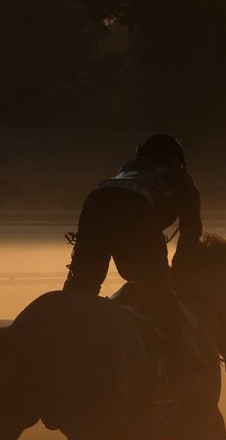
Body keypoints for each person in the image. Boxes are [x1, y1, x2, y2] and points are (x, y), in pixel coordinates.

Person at [62, 133, 202, 370]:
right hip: (139, 207)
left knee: (83, 285)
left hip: (97, 197)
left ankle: (63, 336)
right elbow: (191, 235)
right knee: (160, 293)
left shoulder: (128, 169)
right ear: (178, 160)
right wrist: (178, 275)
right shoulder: (183, 179)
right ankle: (178, 362)